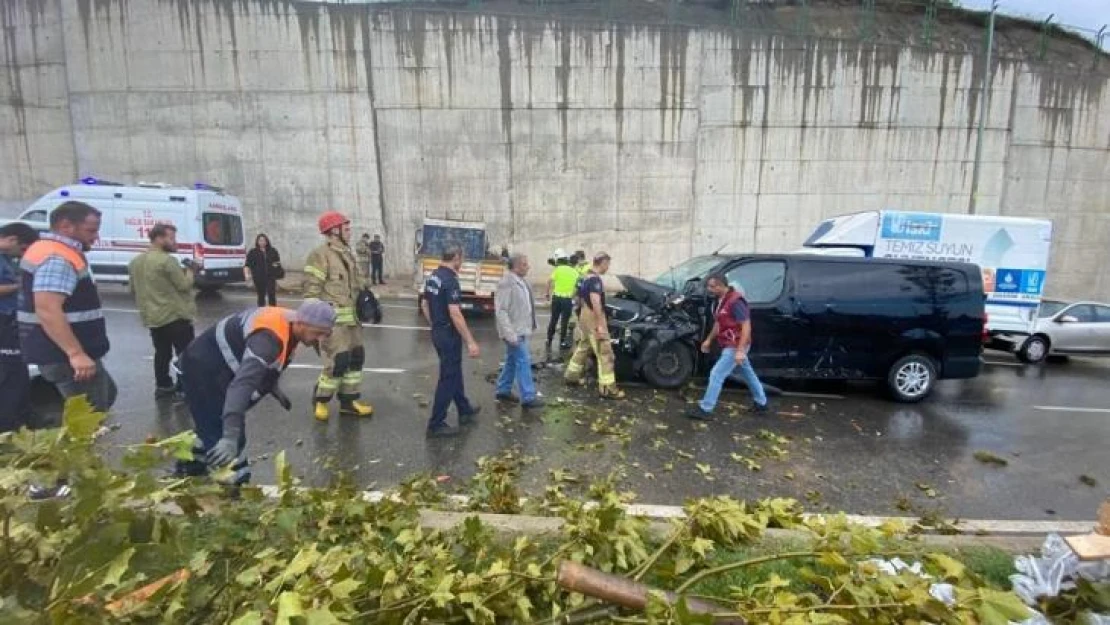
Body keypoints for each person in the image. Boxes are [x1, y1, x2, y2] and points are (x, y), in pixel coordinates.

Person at [175, 300, 336, 484]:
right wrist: (230, 436)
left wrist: (270, 383)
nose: (320, 340)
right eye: (318, 333)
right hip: (202, 373)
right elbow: (241, 386)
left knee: (211, 429)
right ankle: (234, 490)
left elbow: (269, 363)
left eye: (325, 335)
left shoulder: (290, 322)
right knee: (229, 443)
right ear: (301, 323)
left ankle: (188, 470)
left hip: (213, 368)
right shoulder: (268, 340)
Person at [19, 201, 117, 414]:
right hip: (65, 356)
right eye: (91, 230)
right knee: (88, 418)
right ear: (66, 226)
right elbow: (47, 309)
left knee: (105, 395)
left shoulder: (52, 251)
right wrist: (75, 354)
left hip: (62, 353)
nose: (95, 237)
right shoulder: (57, 258)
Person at [303, 211, 374, 420]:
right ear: (334, 231)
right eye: (346, 228)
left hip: (353, 321)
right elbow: (311, 292)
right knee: (337, 362)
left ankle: (348, 402)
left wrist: (369, 297)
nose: (350, 231)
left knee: (355, 360)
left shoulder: (348, 254)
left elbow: (358, 284)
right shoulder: (320, 255)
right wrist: (316, 326)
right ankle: (321, 401)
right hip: (332, 325)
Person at [127, 224, 197, 398]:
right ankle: (184, 387)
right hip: (175, 315)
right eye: (171, 238)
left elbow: (132, 289)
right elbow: (184, 285)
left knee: (162, 352)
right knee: (185, 353)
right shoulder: (167, 260)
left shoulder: (136, 262)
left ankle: (163, 385)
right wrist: (190, 271)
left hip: (152, 317)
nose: (175, 242)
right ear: (159, 238)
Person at [686, 273, 769, 420]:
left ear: (720, 286)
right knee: (747, 373)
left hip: (735, 345)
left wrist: (740, 351)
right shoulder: (722, 300)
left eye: (711, 287)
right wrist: (708, 340)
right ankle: (761, 402)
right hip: (731, 344)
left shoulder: (736, 301)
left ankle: (706, 409)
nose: (709, 289)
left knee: (716, 374)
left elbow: (746, 327)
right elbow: (719, 323)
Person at [421, 246, 481, 438]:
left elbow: (424, 303)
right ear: (455, 257)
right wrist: (470, 341)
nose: (462, 263)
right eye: (461, 259)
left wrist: (435, 324)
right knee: (448, 377)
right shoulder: (450, 280)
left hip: (439, 331)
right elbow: (455, 313)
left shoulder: (434, 276)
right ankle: (436, 423)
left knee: (454, 372)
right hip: (448, 334)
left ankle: (464, 409)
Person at [564, 252, 624, 399]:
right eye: (607, 264)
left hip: (584, 315)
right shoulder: (595, 280)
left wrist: (580, 317)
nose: (608, 267)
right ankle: (608, 389)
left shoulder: (584, 277)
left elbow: (576, 298)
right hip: (593, 317)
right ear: (602, 263)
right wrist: (600, 325)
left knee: (584, 347)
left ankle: (571, 376)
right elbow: (596, 303)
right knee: (605, 353)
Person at [0, 222, 39, 432]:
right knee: (11, 373)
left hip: (10, 320)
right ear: (12, 239)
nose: (22, 254)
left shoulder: (6, 258)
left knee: (18, 370)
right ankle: (8, 426)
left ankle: (22, 419)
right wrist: (20, 285)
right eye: (23, 248)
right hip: (3, 321)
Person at [495, 254, 543, 409]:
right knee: (523, 361)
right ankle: (528, 397)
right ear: (515, 266)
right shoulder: (507, 283)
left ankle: (503, 389)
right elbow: (501, 311)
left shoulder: (521, 281)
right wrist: (510, 335)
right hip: (514, 332)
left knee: (511, 361)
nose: (528, 267)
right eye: (524, 264)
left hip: (520, 330)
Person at [545, 249, 577, 356]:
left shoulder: (558, 269)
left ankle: (549, 340)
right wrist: (574, 297)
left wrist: (547, 294)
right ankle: (562, 341)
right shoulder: (574, 271)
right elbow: (578, 286)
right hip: (567, 300)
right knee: (564, 321)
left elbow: (549, 281)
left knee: (553, 319)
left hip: (556, 298)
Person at [245, 233, 282, 307]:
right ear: (257, 242)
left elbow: (277, 263)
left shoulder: (273, 251)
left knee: (271, 294)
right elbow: (247, 265)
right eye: (260, 240)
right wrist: (247, 275)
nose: (262, 242)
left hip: (270, 277)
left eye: (264, 240)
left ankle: (273, 311)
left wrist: (276, 271)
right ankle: (261, 311)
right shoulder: (253, 252)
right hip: (258, 277)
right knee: (261, 296)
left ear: (267, 241)